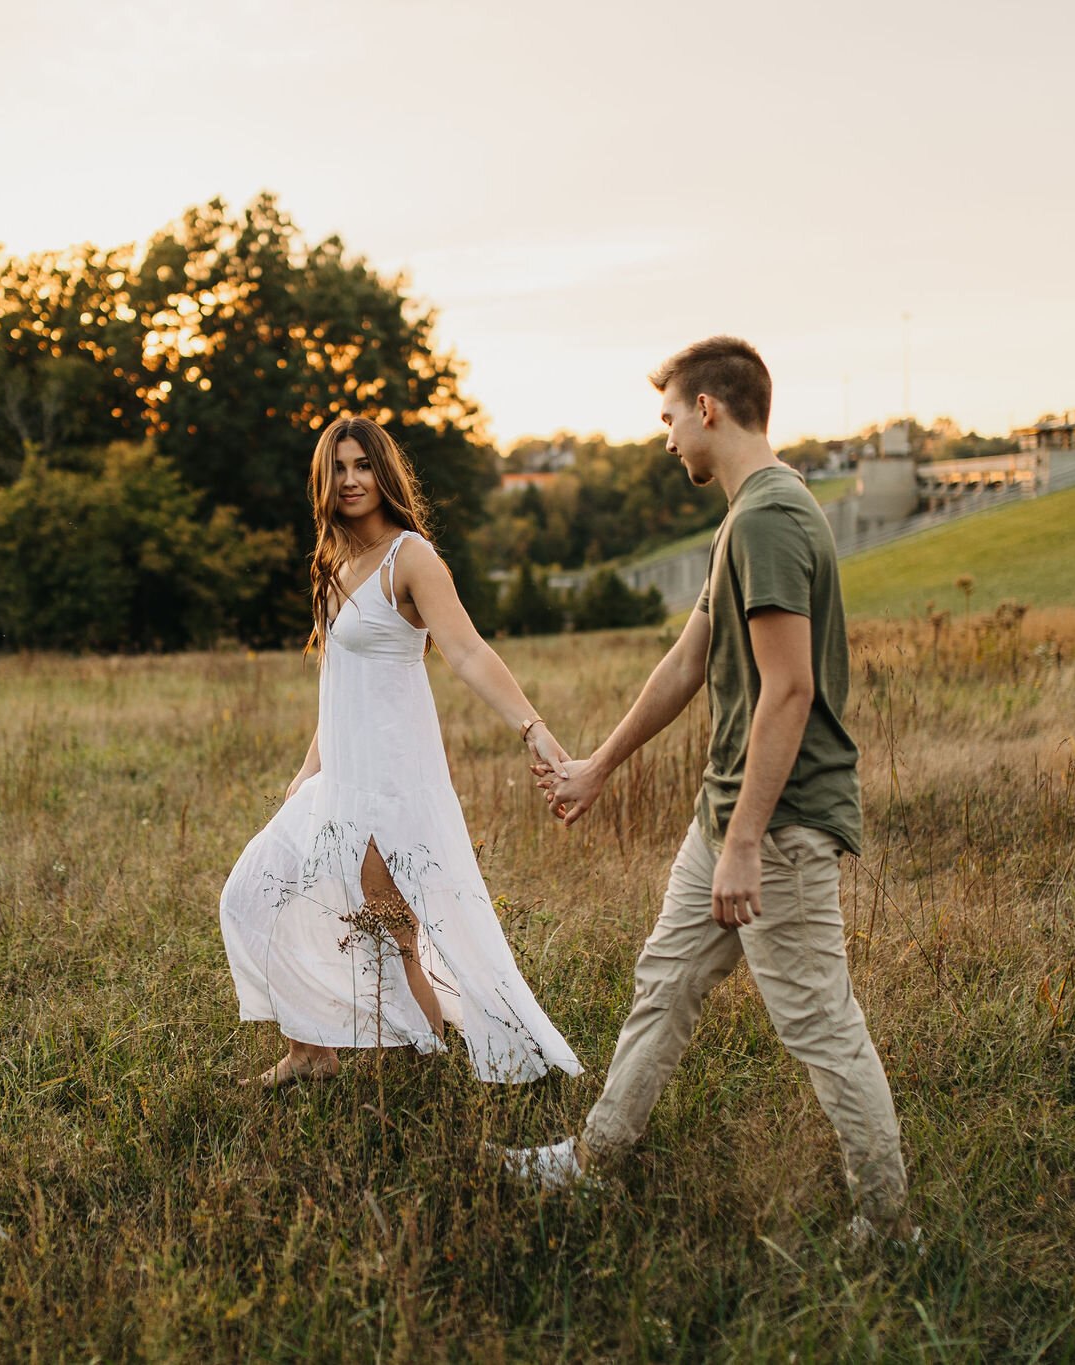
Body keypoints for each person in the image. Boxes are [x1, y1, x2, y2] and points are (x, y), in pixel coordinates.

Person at [505, 338, 916, 1248]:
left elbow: (790, 689)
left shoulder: (771, 519)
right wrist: (601, 764)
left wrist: (742, 843)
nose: (663, 444)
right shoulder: (746, 519)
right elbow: (687, 660)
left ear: (709, 411)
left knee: (818, 1021)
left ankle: (889, 1225)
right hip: (725, 816)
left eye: (667, 421)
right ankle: (592, 1161)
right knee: (665, 983)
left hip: (777, 825)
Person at [219, 415, 584, 1089]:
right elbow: (340, 683)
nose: (351, 479)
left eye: (363, 465)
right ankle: (311, 1052)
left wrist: (531, 726)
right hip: (338, 777)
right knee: (254, 891)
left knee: (393, 931)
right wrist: (307, 772)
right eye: (340, 468)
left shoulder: (409, 557)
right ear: (323, 481)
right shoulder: (333, 564)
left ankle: (428, 1067)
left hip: (392, 784)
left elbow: (468, 650)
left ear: (383, 474)